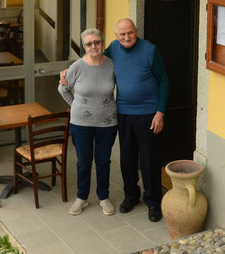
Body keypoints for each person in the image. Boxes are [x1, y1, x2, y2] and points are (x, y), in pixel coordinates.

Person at [61, 18, 169, 222]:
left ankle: (153, 201)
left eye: (130, 33)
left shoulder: (150, 50)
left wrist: (160, 112)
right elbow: (91, 59)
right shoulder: (113, 49)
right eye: (122, 34)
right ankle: (131, 196)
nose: (126, 37)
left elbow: (163, 81)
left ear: (136, 31)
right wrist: (67, 72)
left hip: (148, 113)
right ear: (116, 36)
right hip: (123, 113)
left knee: (149, 159)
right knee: (127, 159)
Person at [58, 28, 118, 216]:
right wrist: (76, 104)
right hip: (81, 124)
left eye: (97, 42)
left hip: (107, 123)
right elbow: (63, 89)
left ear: (102, 43)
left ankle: (104, 197)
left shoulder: (111, 65)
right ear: (84, 46)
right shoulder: (76, 66)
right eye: (89, 43)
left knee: (103, 161)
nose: (94, 46)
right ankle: (81, 197)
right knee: (83, 161)